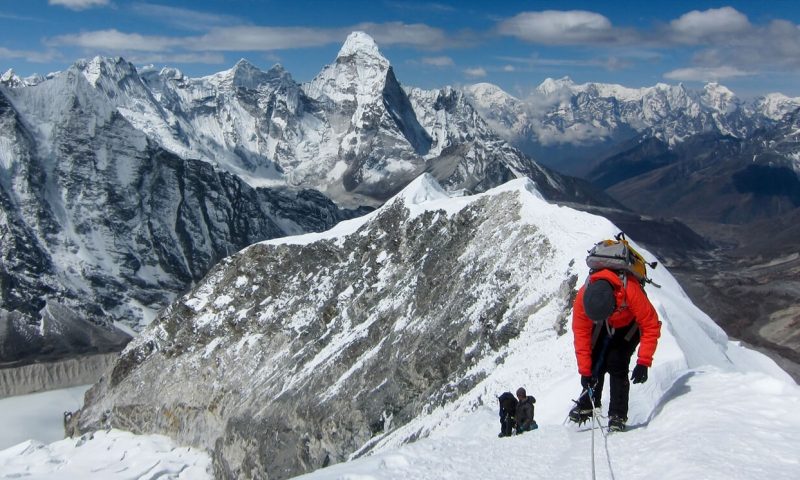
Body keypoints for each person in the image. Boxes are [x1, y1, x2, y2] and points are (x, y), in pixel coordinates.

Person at [568, 268, 661, 432]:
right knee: (595, 358)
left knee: (617, 361)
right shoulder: (583, 297)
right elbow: (581, 335)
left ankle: (617, 414)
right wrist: (585, 372)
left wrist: (644, 361)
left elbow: (650, 325)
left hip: (630, 323)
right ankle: (589, 402)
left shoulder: (630, 291)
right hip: (606, 322)